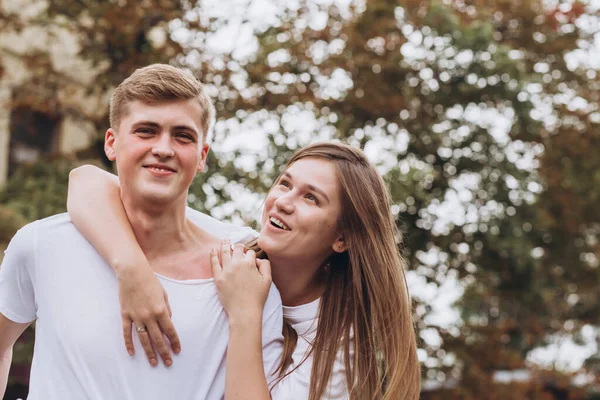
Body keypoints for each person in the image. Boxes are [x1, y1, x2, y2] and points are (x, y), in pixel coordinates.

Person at [0, 64, 284, 399]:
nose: (164, 148)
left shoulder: (244, 266)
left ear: (202, 156)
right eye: (146, 131)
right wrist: (132, 269)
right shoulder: (42, 244)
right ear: (111, 143)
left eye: (183, 136)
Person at [67, 141, 422, 399]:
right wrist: (133, 272)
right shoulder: (231, 245)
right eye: (285, 183)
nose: (283, 201)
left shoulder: (336, 347)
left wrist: (245, 314)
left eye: (310, 198)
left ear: (342, 238)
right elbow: (86, 181)